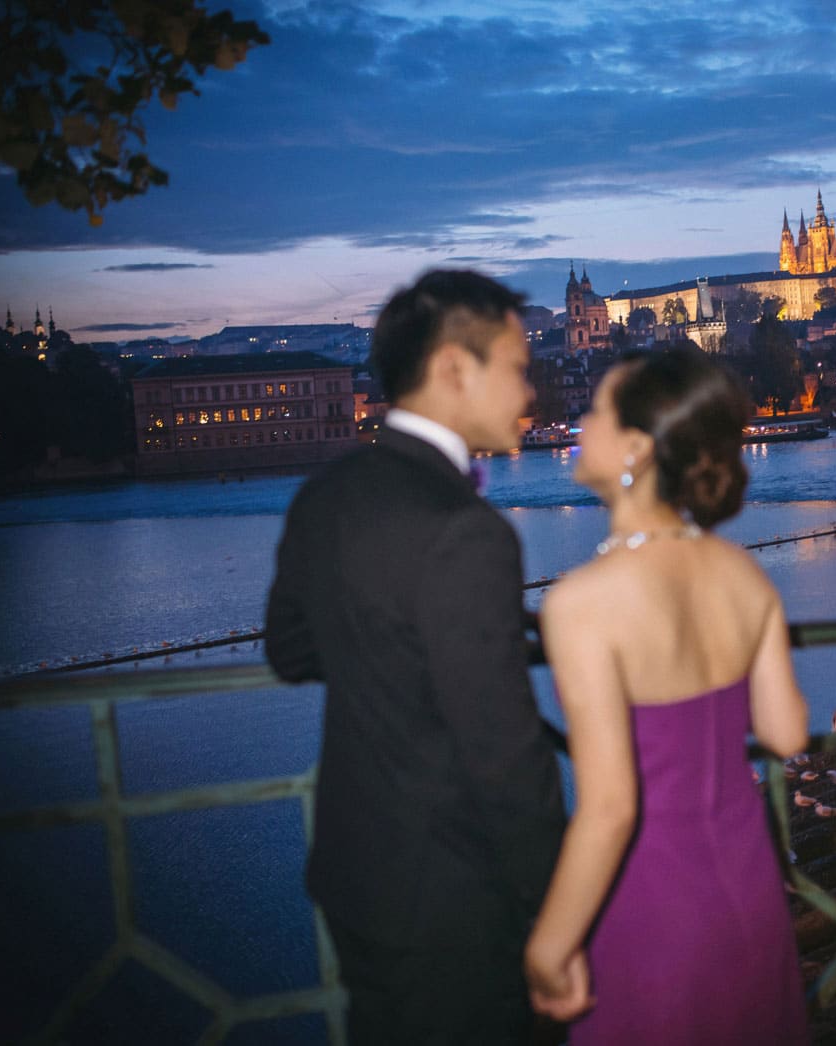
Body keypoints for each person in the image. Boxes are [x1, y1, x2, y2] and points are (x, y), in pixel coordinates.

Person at [265, 269, 565, 1043]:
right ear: (455, 370)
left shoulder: (325, 494)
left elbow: (291, 654)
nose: (529, 393)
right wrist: (558, 919)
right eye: (518, 367)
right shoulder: (467, 531)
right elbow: (506, 759)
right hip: (456, 899)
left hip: (355, 873)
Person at [525, 348, 811, 1044]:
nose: (577, 422)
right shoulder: (743, 573)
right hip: (749, 891)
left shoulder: (581, 602)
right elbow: (785, 734)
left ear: (632, 447)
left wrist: (547, 948)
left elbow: (612, 807)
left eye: (592, 409)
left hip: (651, 904)